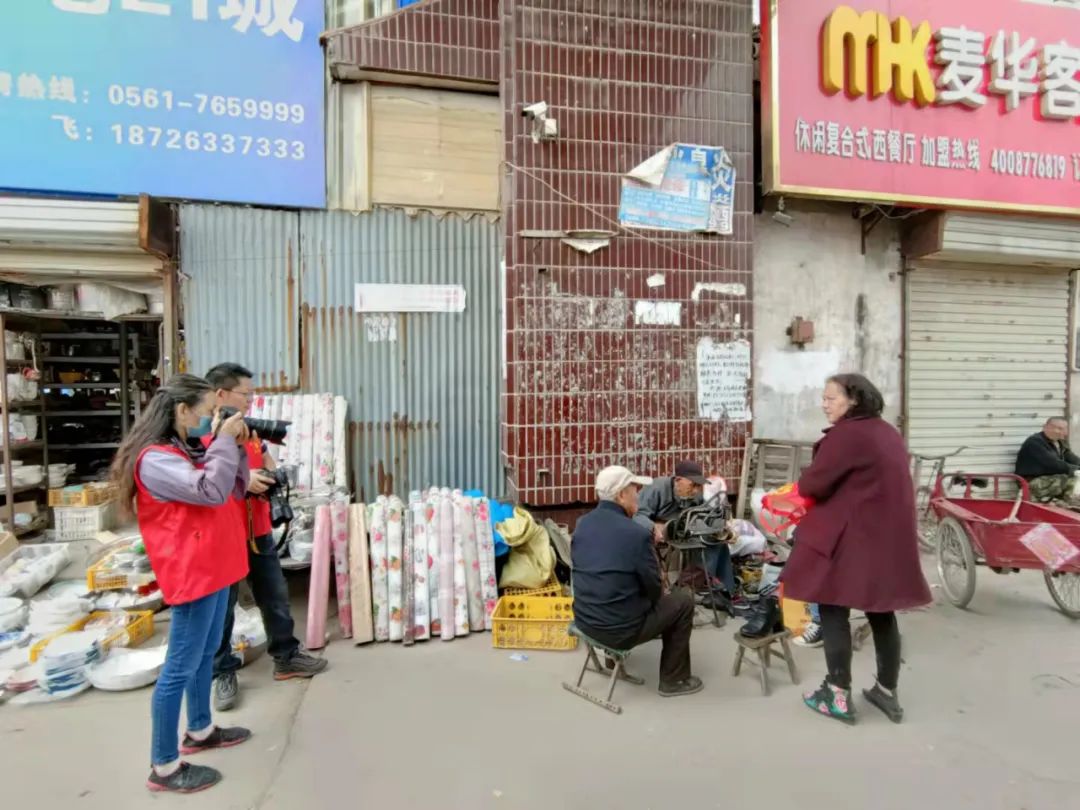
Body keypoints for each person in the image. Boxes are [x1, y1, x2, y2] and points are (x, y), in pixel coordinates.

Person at [110, 374, 253, 794]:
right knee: (178, 668)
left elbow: (231, 488)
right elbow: (209, 491)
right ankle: (164, 765)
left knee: (205, 653)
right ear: (182, 410)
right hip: (193, 572)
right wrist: (223, 441)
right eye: (208, 411)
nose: (212, 418)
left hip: (213, 566)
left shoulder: (184, 449)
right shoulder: (155, 459)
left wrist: (234, 446)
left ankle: (200, 729)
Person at [781, 374, 931, 725]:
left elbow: (815, 483)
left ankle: (837, 695)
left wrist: (800, 486)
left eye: (831, 398)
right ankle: (887, 692)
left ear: (854, 400)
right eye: (824, 397)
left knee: (832, 605)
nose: (824, 404)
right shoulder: (887, 432)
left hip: (851, 537)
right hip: (885, 538)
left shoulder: (848, 435)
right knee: (882, 610)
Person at [205, 364, 327, 712]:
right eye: (246, 393)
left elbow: (268, 460)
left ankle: (286, 656)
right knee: (222, 609)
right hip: (224, 535)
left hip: (257, 529)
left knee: (274, 596)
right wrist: (244, 480)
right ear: (221, 394)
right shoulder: (203, 436)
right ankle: (221, 672)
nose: (251, 400)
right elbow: (203, 483)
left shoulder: (250, 430)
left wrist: (271, 475)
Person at [572, 466, 703, 697]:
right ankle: (674, 680)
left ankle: (611, 660)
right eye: (635, 489)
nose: (639, 495)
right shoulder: (636, 534)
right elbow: (654, 588)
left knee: (610, 587)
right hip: (620, 631)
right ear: (621, 495)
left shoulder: (582, 523)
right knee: (683, 601)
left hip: (584, 619)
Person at [634, 460, 739, 609]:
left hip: (681, 529)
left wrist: (722, 528)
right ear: (678, 480)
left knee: (715, 541)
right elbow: (637, 514)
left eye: (698, 486)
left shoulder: (695, 495)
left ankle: (688, 585)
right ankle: (671, 589)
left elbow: (704, 514)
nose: (696, 491)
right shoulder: (656, 488)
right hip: (655, 531)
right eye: (692, 485)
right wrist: (652, 526)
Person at [1015, 417, 1080, 503]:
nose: (1062, 432)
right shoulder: (1035, 442)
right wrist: (1076, 470)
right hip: (1031, 483)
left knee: (1072, 478)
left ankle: (1070, 505)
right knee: (1069, 480)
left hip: (1051, 480)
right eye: (1059, 428)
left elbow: (1072, 458)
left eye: (1064, 429)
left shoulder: (1060, 442)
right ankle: (1072, 503)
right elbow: (1054, 464)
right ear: (1045, 427)